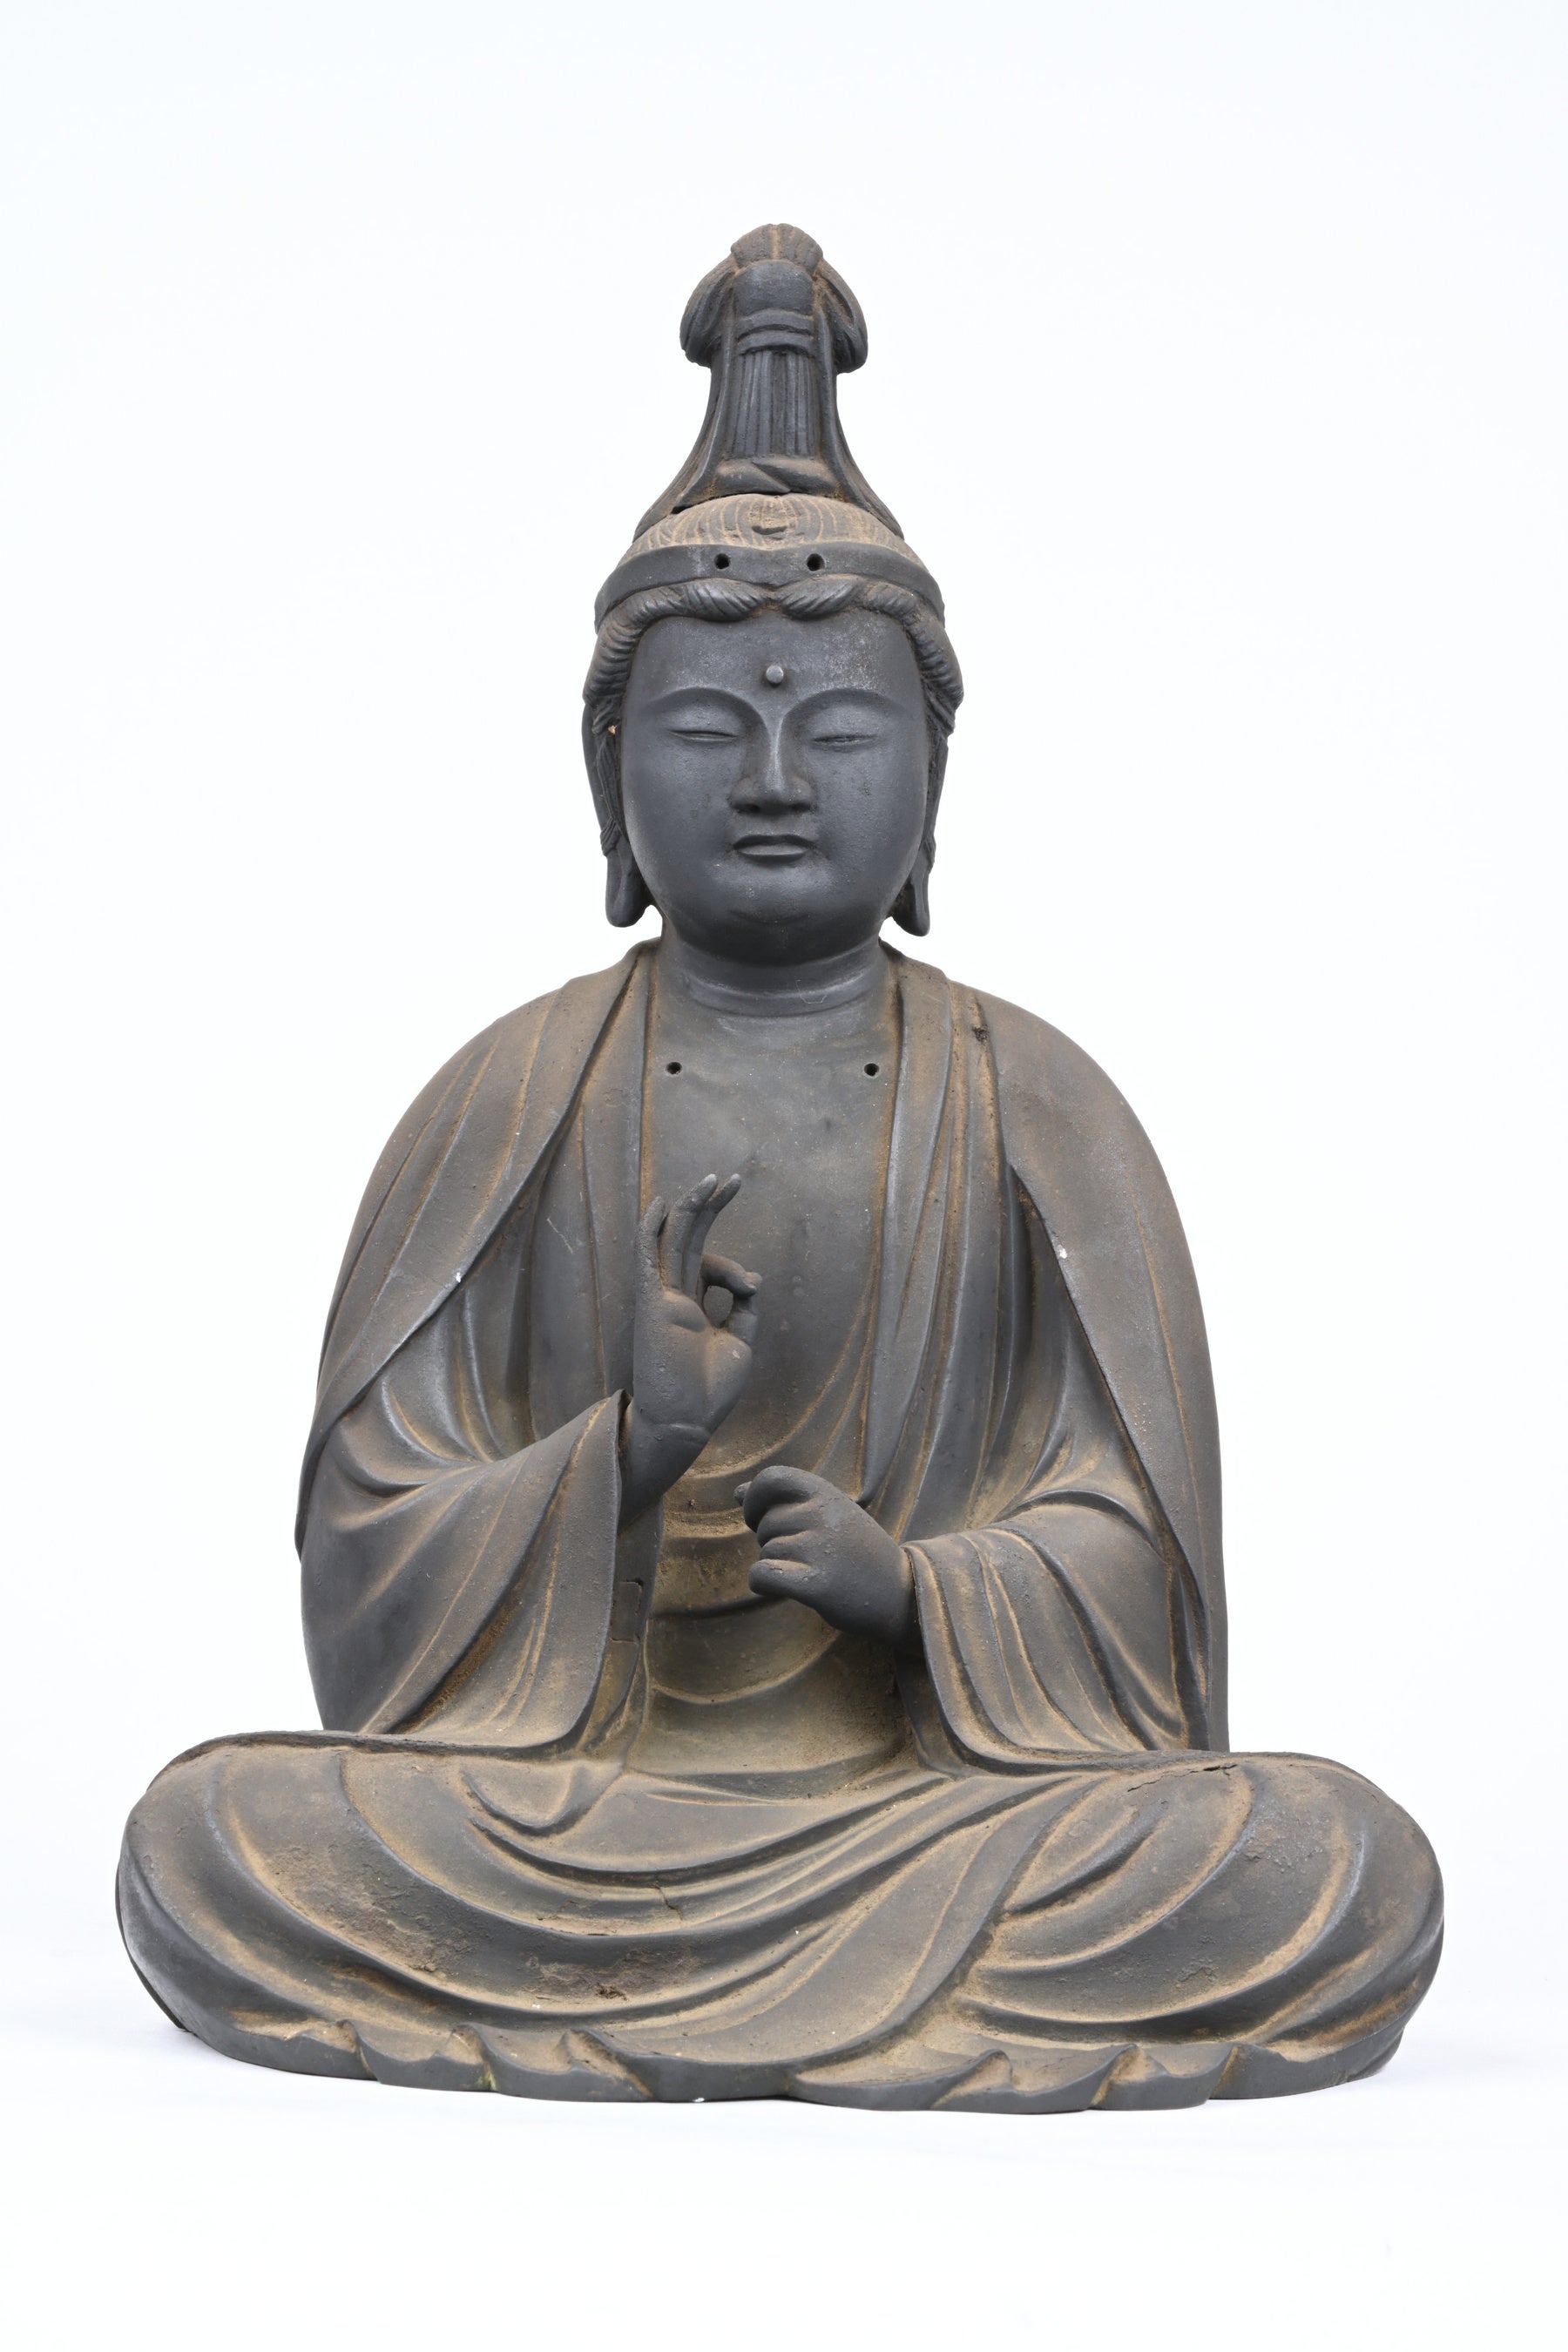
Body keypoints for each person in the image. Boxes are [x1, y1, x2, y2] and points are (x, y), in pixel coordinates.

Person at [118, 226, 1441, 2111]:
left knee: (1332, 1861)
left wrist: (918, 1588)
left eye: (835, 727)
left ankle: (665, 1999)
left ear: (933, 780)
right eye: (702, 727)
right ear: (606, 778)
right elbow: (366, 1552)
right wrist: (627, 1453)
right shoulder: (506, 1097)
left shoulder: (1040, 1103)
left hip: (949, 1813)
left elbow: (1141, 1573)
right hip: (575, 1809)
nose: (770, 779)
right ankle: (853, 2002)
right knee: (217, 1842)